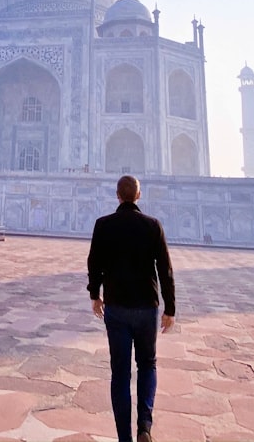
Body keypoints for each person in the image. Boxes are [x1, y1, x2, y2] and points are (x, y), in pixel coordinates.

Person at [87, 175, 175, 442]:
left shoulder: (103, 225)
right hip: (147, 306)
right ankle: (144, 427)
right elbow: (165, 270)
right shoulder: (152, 225)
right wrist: (170, 308)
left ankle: (124, 438)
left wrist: (95, 295)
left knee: (120, 373)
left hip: (116, 307)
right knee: (147, 365)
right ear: (138, 195)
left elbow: (94, 264)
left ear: (117, 195)